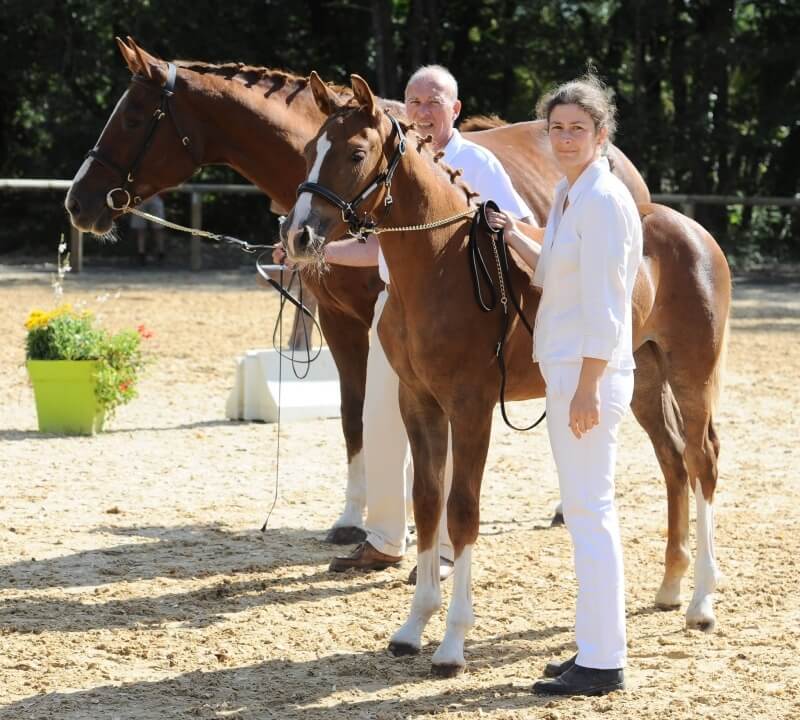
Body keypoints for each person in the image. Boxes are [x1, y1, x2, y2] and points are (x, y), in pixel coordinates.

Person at [276, 65, 534, 581]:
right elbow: (376, 245)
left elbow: (521, 225)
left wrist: (483, 221)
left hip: (461, 317)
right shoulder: (394, 160)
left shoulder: (475, 160)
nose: (422, 111)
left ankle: (440, 547)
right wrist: (307, 252)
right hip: (396, 308)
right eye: (414, 102)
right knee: (379, 421)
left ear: (454, 110)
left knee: (451, 432)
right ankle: (386, 538)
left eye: (434, 102)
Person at [486, 72, 643, 696]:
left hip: (589, 374)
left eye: (578, 128)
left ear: (601, 134)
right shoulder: (570, 193)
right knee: (584, 513)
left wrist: (588, 386)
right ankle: (592, 648)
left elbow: (610, 302)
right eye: (557, 129)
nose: (566, 137)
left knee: (591, 511)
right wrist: (511, 232)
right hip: (570, 368)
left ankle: (604, 661)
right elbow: (553, 272)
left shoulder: (603, 201)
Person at [130, 193, 166, 265]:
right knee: (140, 229)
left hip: (155, 196)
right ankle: (141, 254)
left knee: (158, 228)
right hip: (139, 197)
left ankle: (161, 253)